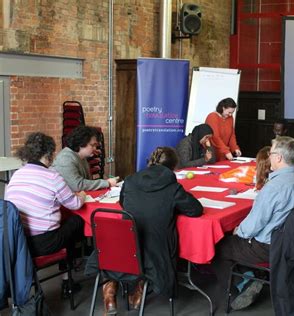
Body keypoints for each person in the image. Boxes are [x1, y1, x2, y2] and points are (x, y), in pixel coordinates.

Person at [96, 147, 203, 314]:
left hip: (126, 246)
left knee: (121, 243)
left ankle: (110, 295)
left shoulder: (131, 180)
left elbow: (124, 203)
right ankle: (139, 289)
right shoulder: (172, 186)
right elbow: (195, 209)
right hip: (157, 250)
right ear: (173, 167)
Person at [212, 136, 294, 310]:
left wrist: (238, 231)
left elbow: (253, 225)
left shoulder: (274, 187)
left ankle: (241, 286)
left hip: (268, 247)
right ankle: (249, 275)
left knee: (218, 246)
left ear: (278, 158)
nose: (269, 157)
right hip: (292, 243)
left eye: (271, 153)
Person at [5, 132, 86, 298]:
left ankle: (66, 274)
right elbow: (75, 204)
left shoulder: (16, 175)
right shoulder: (52, 177)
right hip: (44, 243)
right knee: (76, 221)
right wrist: (82, 195)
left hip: (16, 241)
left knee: (64, 226)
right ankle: (67, 280)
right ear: (49, 154)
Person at [52, 125, 119, 191]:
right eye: (93, 145)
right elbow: (77, 185)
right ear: (81, 143)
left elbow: (87, 180)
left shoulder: (81, 156)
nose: (95, 148)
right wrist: (107, 183)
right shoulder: (65, 159)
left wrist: (90, 151)